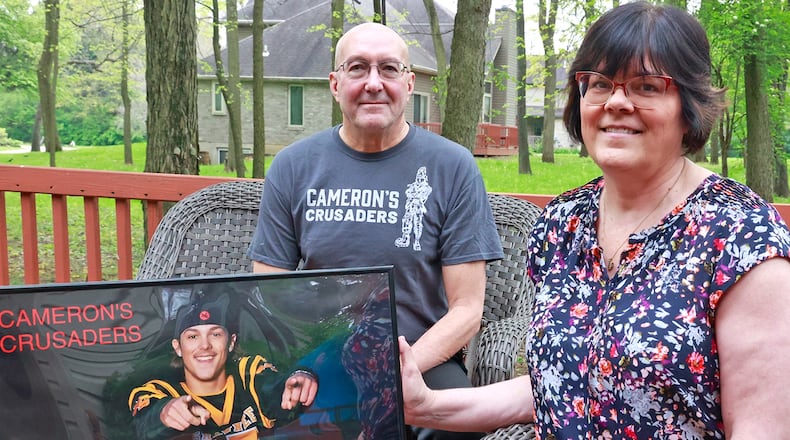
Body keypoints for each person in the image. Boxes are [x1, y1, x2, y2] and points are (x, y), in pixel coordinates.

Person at [398, 2, 790, 438]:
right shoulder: (561, 224)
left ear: (689, 104)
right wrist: (427, 405)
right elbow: (564, 384)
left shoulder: (740, 234)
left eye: (646, 86)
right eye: (600, 83)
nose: (617, 102)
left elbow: (762, 428)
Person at [246, 21, 504, 440]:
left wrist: (395, 373)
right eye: (357, 68)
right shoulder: (293, 167)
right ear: (334, 83)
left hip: (421, 360)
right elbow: (268, 288)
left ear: (409, 82)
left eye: (388, 69)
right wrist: (305, 360)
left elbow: (467, 310)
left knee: (458, 430)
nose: (373, 83)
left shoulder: (452, 167)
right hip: (319, 357)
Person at [128, 292, 318, 440]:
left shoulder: (248, 374)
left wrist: (299, 379)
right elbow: (145, 419)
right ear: (178, 347)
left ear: (231, 342)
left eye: (216, 334)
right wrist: (164, 413)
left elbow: (274, 388)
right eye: (193, 336)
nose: (205, 345)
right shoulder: (160, 390)